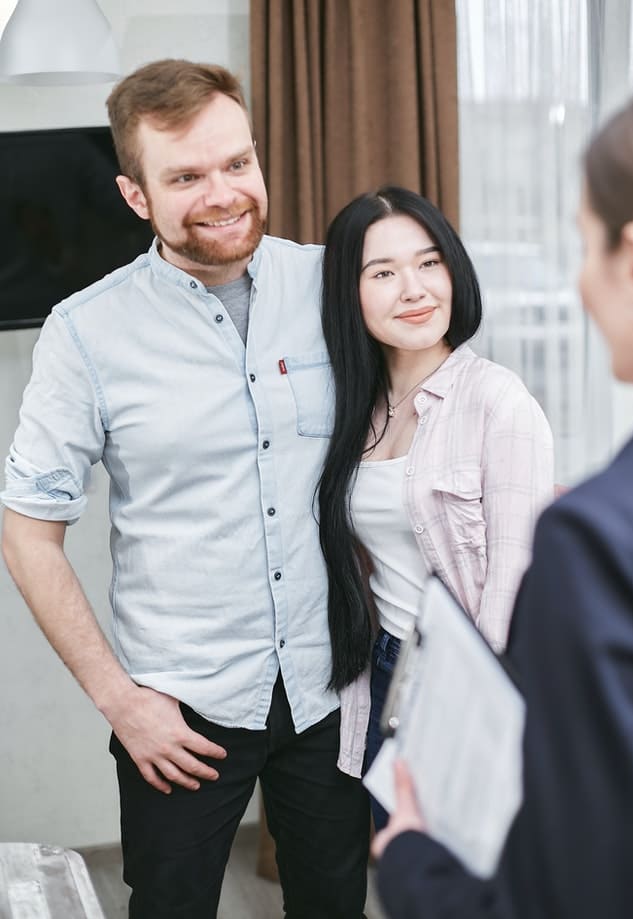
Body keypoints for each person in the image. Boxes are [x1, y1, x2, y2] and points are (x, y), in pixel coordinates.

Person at [0, 59, 370, 919]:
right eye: (187, 176)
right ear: (137, 196)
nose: (224, 193)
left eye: (237, 163)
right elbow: (27, 533)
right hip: (179, 714)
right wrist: (120, 701)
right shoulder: (84, 333)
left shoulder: (332, 285)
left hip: (327, 691)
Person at [370, 95, 633, 918]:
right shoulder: (358, 411)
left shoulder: (594, 540)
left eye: (580, 240)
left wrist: (412, 863)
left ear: (632, 258)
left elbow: (562, 891)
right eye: (381, 270)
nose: (576, 281)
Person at [318, 185, 554, 827]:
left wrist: (473, 721)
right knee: (405, 876)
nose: (414, 289)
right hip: (382, 673)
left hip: (462, 682)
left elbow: (514, 586)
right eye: (383, 273)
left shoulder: (498, 403)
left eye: (429, 263)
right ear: (350, 291)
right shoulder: (352, 408)